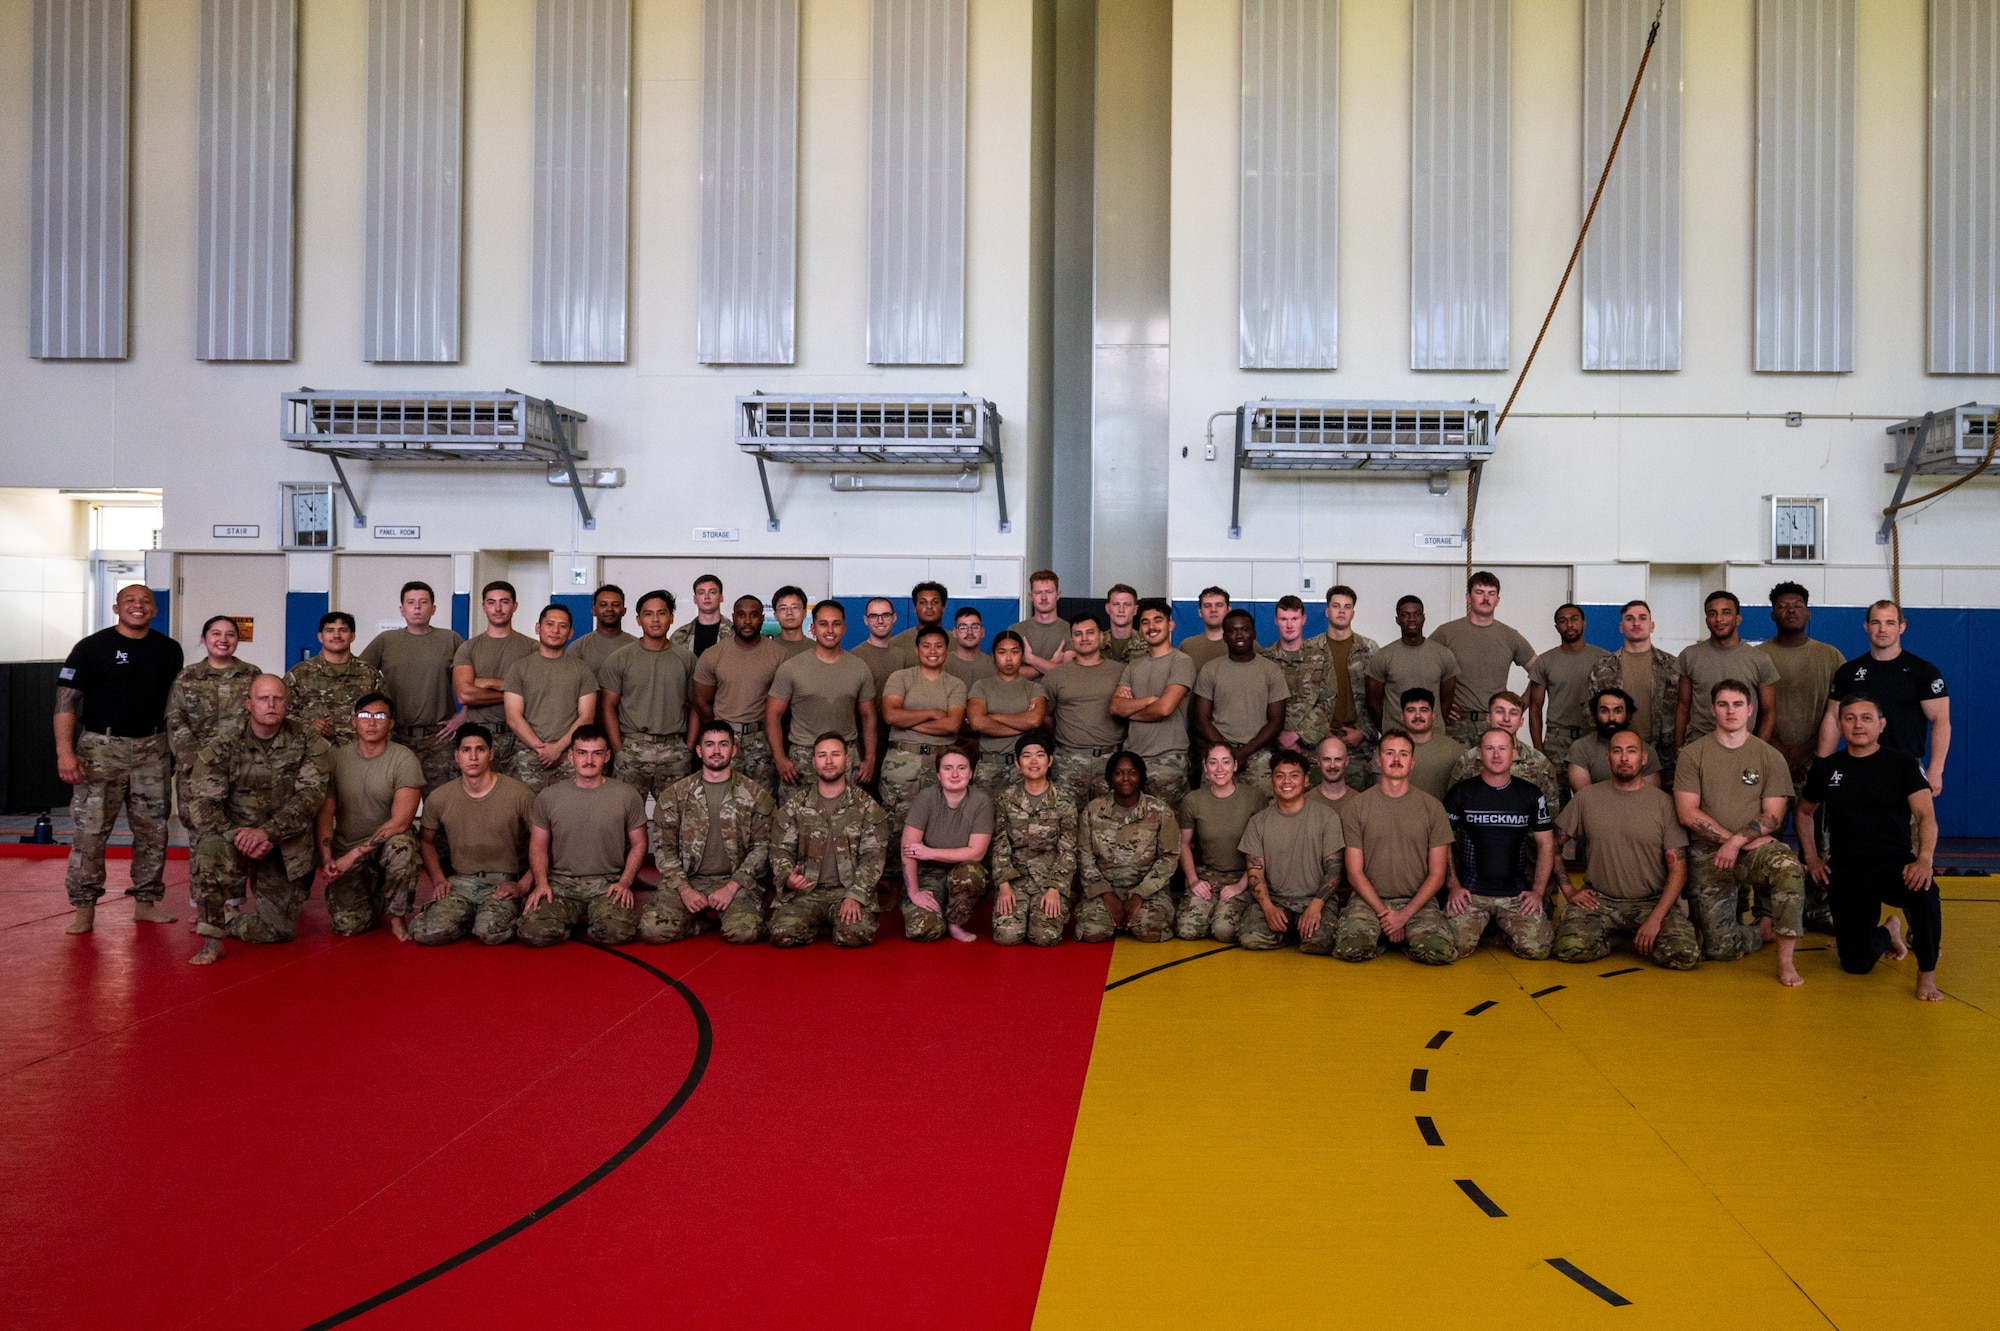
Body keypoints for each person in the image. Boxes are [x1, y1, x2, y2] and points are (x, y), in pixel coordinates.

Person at [54, 583, 183, 934]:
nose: (137, 606)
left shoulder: (169, 650)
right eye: (129, 601)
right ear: (116, 608)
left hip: (153, 748)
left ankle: (145, 903)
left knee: (154, 831)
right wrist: (65, 753)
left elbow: (176, 705)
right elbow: (66, 703)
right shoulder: (91, 648)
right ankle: (84, 907)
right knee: (91, 832)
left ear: (154, 610)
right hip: (100, 748)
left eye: (145, 602)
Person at [1797, 694, 1942, 1001]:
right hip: (1848, 871)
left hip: (1895, 866)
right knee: (1856, 963)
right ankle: (1887, 932)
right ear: (1839, 725)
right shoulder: (1827, 769)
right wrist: (1811, 858)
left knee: (1926, 892)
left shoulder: (1902, 764)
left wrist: (1924, 860)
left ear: (1881, 725)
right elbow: (1803, 812)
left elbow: (1926, 816)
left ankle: (1926, 974)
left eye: (1866, 718)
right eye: (1849, 718)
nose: (1858, 725)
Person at [185, 675, 333, 965]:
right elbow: (203, 803)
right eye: (263, 698)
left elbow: (311, 797)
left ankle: (232, 923)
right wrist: (237, 835)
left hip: (281, 840)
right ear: (248, 704)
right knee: (208, 853)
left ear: (287, 704)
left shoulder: (308, 740)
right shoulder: (224, 741)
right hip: (232, 835)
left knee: (278, 931)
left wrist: (267, 833)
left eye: (278, 699)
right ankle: (212, 941)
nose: (271, 704)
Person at [1674, 681, 1804, 982]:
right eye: (1723, 704)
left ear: (1749, 710)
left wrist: (1738, 841)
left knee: (1788, 868)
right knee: (1719, 949)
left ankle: (1786, 962)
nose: (1730, 711)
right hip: (1708, 852)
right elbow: (1687, 813)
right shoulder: (1693, 754)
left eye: (1737, 705)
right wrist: (1728, 842)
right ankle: (1760, 930)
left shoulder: (1769, 756)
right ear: (1712, 710)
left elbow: (1773, 816)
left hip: (1753, 848)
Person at [1550, 730, 1700, 970]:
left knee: (1683, 955)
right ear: (1607, 758)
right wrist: (1568, 890)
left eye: (1631, 751)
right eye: (1617, 751)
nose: (1624, 758)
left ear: (1643, 758)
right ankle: (1619, 938)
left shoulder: (1664, 804)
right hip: (1599, 902)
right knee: (1569, 949)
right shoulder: (1586, 798)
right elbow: (1551, 844)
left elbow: (1678, 870)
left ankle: (1631, 934)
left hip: (1651, 902)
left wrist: (1655, 919)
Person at [639, 721, 776, 945]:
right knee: (651, 930)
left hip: (734, 881)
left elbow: (762, 849)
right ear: (699, 750)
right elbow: (665, 849)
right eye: (710, 745)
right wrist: (684, 890)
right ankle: (700, 923)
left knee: (745, 932)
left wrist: (731, 888)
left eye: (723, 744)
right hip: (688, 879)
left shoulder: (756, 796)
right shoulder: (675, 795)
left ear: (734, 750)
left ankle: (714, 918)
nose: (716, 751)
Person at [1333, 731, 1455, 964]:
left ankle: (1394, 937)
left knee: (1438, 952)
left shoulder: (1432, 807)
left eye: (1403, 754)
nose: (1396, 759)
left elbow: (1438, 874)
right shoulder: (1356, 807)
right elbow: (1354, 873)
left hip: (1418, 902)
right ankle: (1386, 937)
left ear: (1412, 762)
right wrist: (1385, 914)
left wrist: (1404, 916)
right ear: (1378, 760)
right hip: (1368, 901)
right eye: (1389, 753)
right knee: (1352, 949)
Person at [517, 726, 646, 947]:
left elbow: (640, 843)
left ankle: (589, 921)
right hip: (561, 883)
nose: (589, 760)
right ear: (571, 756)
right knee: (534, 933)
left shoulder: (627, 795)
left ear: (607, 756)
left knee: (618, 933)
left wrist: (625, 882)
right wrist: (541, 884)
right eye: (582, 753)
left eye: (597, 753)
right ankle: (564, 922)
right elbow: (538, 846)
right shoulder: (549, 797)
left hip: (607, 883)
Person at [409, 724, 536, 946]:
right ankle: (467, 917)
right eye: (466, 750)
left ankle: (484, 918)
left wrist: (523, 886)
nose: (473, 756)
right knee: (425, 933)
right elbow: (426, 842)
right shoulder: (440, 797)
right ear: (457, 756)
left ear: (491, 754)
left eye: (481, 749)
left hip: (502, 882)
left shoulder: (519, 794)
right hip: (460, 882)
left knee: (491, 933)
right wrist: (439, 879)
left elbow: (544, 842)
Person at [315, 692, 424, 938]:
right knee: (348, 926)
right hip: (347, 846)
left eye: (380, 716)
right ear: (354, 721)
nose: (372, 722)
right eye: (364, 715)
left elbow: (401, 822)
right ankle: (377, 897)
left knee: (402, 848)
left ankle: (397, 916)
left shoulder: (404, 760)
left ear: (392, 723)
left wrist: (352, 856)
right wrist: (328, 858)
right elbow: (325, 814)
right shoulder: (336, 759)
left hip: (387, 845)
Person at [1816, 600, 1950, 799]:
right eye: (1876, 623)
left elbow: (1941, 720)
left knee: (1908, 828)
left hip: (1906, 767)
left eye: (1890, 623)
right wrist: (1822, 765)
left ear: (1901, 627)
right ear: (1866, 627)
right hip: (1857, 766)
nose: (1882, 629)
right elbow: (1833, 716)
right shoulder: (1849, 672)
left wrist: (1936, 769)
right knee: (1856, 827)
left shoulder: (1922, 671)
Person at [1441, 729, 1555, 960]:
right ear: (1480, 754)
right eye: (1489, 748)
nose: (1496, 754)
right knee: (1455, 947)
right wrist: (1453, 885)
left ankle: (1499, 929)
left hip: (1516, 894)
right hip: (1470, 893)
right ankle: (1485, 927)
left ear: (1513, 753)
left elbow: (1546, 845)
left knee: (1538, 949)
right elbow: (1441, 843)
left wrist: (1538, 891)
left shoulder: (1531, 794)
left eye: (1502, 748)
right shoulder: (1460, 793)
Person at [768, 734, 890, 948]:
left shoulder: (866, 806)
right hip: (806, 893)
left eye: (835, 755)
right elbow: (780, 850)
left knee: (854, 935)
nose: (829, 761)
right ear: (813, 762)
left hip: (847, 892)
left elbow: (873, 857)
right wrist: (787, 878)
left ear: (847, 759)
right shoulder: (796, 804)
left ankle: (831, 924)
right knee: (782, 934)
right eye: (822, 755)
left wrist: (856, 895)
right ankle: (821, 924)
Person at [767, 599, 880, 801]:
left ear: (844, 628)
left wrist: (869, 758)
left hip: (845, 755)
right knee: (797, 822)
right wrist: (780, 759)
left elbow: (868, 716)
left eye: (836, 624)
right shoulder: (791, 668)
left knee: (845, 821)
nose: (830, 630)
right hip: (803, 757)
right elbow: (773, 715)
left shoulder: (859, 667)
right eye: (823, 624)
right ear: (812, 628)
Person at [360, 581, 465, 791]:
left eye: (423, 602)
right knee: (392, 799)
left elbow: (472, 682)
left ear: (433, 608)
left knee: (440, 801)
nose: (417, 608)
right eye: (411, 602)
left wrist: (463, 716)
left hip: (439, 739)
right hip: (396, 737)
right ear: (402, 609)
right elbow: (357, 677)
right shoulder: (386, 640)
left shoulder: (450, 639)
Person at [1236, 750, 1345, 953]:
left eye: (1294, 775)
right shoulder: (1258, 822)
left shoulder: (1327, 817)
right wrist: (1268, 908)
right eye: (1279, 775)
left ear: (1305, 781)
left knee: (1318, 944)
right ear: (1272, 781)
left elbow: (1334, 871)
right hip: (1276, 900)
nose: (1286, 781)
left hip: (1315, 900)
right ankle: (1289, 933)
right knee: (1251, 940)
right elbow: (1255, 873)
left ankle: (1296, 933)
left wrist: (1315, 907)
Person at [599, 589, 699, 803]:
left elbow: (695, 706)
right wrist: (619, 749)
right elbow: (608, 707)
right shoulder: (620, 659)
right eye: (648, 614)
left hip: (674, 751)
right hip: (632, 749)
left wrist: (688, 748)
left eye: (661, 613)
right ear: (637, 619)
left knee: (676, 820)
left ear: (671, 618)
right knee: (625, 818)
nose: (655, 619)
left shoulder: (687, 660)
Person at [166, 614, 261, 831]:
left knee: (241, 830)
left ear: (238, 640)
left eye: (230, 634)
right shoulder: (187, 676)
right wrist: (197, 761)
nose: (223, 640)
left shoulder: (252, 674)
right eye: (216, 634)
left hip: (242, 767)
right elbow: (174, 719)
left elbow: (261, 717)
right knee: (199, 829)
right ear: (204, 638)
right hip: (196, 768)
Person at [1075, 752, 1180, 944]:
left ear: (1141, 777)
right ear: (1110, 778)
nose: (1125, 779)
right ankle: (1118, 920)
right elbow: (1085, 857)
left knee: (1149, 929)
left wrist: (1140, 894)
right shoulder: (1092, 810)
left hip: (1148, 892)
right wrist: (1106, 894)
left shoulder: (1160, 811)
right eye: (1118, 773)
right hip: (1104, 890)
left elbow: (1169, 857)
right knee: (1093, 931)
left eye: (1132, 773)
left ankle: (1132, 920)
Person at [691, 594, 790, 796]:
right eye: (741, 615)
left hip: (763, 739)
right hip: (725, 738)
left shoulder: (779, 655)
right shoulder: (713, 654)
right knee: (724, 797)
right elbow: (701, 700)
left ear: (762, 618)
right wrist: (721, 727)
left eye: (753, 615)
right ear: (733, 617)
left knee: (764, 799)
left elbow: (787, 706)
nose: (747, 621)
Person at [989, 731, 1080, 947]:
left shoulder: (1065, 801)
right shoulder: (1004, 799)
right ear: (1017, 763)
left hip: (1049, 879)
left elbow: (1068, 849)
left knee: (1044, 938)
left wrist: (1055, 888)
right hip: (1015, 879)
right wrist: (1003, 885)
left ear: (1050, 760)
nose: (1033, 761)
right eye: (1026, 755)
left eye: (1040, 755)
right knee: (1007, 936)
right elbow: (999, 844)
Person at [880, 626, 970, 840]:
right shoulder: (900, 678)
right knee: (895, 824)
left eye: (939, 646)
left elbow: (952, 725)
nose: (932, 651)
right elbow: (891, 716)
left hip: (940, 762)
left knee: (938, 822)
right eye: (926, 646)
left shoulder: (955, 684)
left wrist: (908, 721)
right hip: (902, 763)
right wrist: (933, 713)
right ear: (916, 650)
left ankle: (930, 874)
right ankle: (894, 873)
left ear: (947, 651)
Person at [1432, 571, 1539, 746]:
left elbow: (1540, 672)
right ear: (1468, 597)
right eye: (1479, 592)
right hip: (1457, 724)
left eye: (1491, 593)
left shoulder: (1510, 636)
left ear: (1498, 599)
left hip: (1496, 724)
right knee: (1456, 772)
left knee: (1495, 772)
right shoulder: (1446, 633)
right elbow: (1424, 671)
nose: (1485, 598)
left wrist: (1518, 707)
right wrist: (1438, 704)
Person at [1175, 742, 1268, 941]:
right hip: (1208, 874)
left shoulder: (1254, 797)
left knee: (1223, 930)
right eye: (1213, 763)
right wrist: (1193, 881)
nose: (1219, 769)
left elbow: (1264, 847)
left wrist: (1241, 885)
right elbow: (1183, 843)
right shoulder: (1193, 800)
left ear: (1235, 765)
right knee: (1187, 929)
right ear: (1205, 766)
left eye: (1226, 762)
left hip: (1244, 874)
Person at [501, 604, 599, 792]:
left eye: (562, 626)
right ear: (538, 628)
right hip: (527, 757)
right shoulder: (519, 668)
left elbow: (586, 717)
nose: (555, 631)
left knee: (569, 816)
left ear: (570, 633)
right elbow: (513, 717)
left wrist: (558, 748)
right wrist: (541, 749)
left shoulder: (582, 669)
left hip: (569, 756)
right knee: (528, 817)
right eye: (550, 624)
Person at [900, 747, 994, 942]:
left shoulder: (981, 801)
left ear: (970, 773)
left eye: (961, 768)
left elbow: (976, 853)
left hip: (960, 874)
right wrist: (914, 893)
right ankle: (939, 911)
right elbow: (908, 848)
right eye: (947, 768)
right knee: (924, 930)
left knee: (971, 871)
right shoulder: (926, 798)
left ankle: (955, 922)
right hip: (927, 873)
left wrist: (929, 852)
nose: (954, 774)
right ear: (938, 774)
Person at [1757, 583, 1844, 790]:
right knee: (1768, 821)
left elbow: (1840, 710)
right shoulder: (1757, 657)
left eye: (1797, 605)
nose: (1791, 610)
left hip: (1816, 760)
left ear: (1808, 614)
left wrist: (1806, 751)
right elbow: (1751, 710)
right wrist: (1781, 753)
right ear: (1772, 615)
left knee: (1811, 820)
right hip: (1767, 757)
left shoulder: (1831, 656)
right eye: (1783, 606)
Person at [1111, 598, 1198, 805]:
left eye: (1157, 620)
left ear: (1170, 625)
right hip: (1133, 759)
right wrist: (1150, 700)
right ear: (1140, 629)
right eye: (1145, 622)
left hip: (1168, 759)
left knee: (1169, 826)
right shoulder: (1133, 666)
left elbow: (1165, 708)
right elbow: (1115, 706)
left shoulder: (1181, 661)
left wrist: (1130, 713)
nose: (1151, 627)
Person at [1587, 599, 1682, 786]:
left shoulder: (1673, 667)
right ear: (1621, 627)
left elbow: (1685, 710)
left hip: (1664, 755)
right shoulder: (1602, 668)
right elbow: (1590, 716)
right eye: (1629, 619)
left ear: (1652, 625)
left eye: (1642, 618)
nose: (1636, 623)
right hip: (1618, 755)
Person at [1192, 608, 1289, 788]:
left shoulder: (1271, 670)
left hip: (1258, 756)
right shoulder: (1210, 669)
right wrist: (1228, 753)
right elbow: (1200, 719)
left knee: (1261, 811)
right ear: (1224, 636)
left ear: (1254, 634)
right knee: (1213, 810)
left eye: (1244, 629)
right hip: (1218, 755)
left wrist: (1244, 752)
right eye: (1232, 630)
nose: (1239, 635)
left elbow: (1276, 722)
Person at [1043, 612, 1129, 805]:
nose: (1084, 638)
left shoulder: (1121, 672)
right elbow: (1045, 716)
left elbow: (1129, 711)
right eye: (1078, 634)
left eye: (1090, 633)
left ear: (1101, 636)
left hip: (1111, 759)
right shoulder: (1055, 676)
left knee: (1109, 820)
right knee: (1067, 819)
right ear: (1071, 639)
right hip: (1068, 761)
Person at [1675, 591, 1779, 748]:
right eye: (1712, 614)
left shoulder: (1759, 660)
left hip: (1742, 744)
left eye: (1726, 613)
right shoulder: (1689, 656)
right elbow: (1683, 706)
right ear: (1706, 620)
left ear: (1738, 619)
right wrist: (1678, 748)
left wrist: (1758, 750)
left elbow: (1768, 711)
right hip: (1699, 744)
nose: (1719, 619)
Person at [453, 581, 539, 768]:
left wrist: (486, 682)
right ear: (484, 607)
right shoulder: (468, 648)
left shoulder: (533, 648)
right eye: (491, 602)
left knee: (519, 796)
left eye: (504, 602)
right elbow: (465, 694)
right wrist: (514, 693)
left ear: (514, 606)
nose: (498, 608)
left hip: (521, 737)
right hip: (478, 737)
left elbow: (536, 690)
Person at [1444, 689, 1563, 809]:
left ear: (1521, 721)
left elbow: (1549, 813)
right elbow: (1452, 808)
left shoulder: (1540, 763)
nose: (1506, 718)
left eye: (1513, 713)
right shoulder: (1468, 761)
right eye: (1500, 712)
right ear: (1488, 717)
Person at [1525, 603, 1608, 773]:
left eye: (1574, 619)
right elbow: (1535, 708)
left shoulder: (1604, 659)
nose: (1569, 624)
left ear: (1584, 623)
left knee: (1592, 794)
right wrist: (1539, 749)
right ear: (1557, 628)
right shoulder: (1545, 661)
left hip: (1594, 735)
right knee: (1556, 795)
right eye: (1563, 621)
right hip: (1557, 737)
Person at [284, 611, 385, 746]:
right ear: (320, 636)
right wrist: (308, 725)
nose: (336, 635)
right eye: (330, 630)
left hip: (358, 753)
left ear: (352, 636)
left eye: (343, 630)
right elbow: (281, 714)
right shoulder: (298, 674)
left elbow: (384, 716)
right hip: (313, 754)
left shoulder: (370, 675)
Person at [967, 630, 1048, 796]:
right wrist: (1021, 725)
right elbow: (977, 722)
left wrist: (993, 717)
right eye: (1002, 652)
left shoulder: (1034, 688)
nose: (1009, 659)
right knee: (985, 818)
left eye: (1015, 652)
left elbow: (1034, 720)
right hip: (989, 766)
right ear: (993, 655)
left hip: (1023, 767)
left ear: (1023, 655)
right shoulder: (981, 686)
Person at [1364, 596, 1459, 735]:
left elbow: (1447, 699)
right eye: (1405, 615)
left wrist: (1435, 727)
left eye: (1417, 614)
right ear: (1397, 620)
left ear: (1424, 617)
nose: (1412, 619)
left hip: (1433, 737)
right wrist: (1388, 732)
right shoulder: (1383, 656)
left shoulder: (1443, 654)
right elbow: (1373, 703)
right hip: (1396, 739)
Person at [1260, 594, 1335, 763]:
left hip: (1309, 746)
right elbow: (1257, 705)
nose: (1289, 625)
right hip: (1271, 746)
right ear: (1275, 620)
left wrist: (1296, 735)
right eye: (1283, 619)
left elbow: (1329, 700)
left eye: (1294, 618)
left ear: (1303, 619)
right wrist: (1278, 737)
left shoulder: (1321, 656)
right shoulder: (1264, 659)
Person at [1318, 585, 1379, 790]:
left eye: (1347, 606)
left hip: (1359, 744)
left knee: (1359, 805)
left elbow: (1381, 697)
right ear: (1327, 611)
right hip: (1318, 742)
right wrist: (1318, 730)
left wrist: (1362, 732)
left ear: (1353, 612)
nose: (1341, 611)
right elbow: (1300, 698)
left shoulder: (1370, 649)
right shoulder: (1309, 650)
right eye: (1336, 606)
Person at [853, 598, 912, 780]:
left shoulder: (902, 656)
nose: (880, 621)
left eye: (885, 615)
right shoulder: (855, 657)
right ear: (865, 620)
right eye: (874, 616)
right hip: (865, 739)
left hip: (898, 736)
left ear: (894, 618)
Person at [1565, 688, 1664, 792]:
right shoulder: (1581, 748)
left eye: (1618, 711)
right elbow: (1584, 799)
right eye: (1604, 711)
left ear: (1628, 716)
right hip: (1596, 807)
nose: (1611, 718)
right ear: (1595, 716)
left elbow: (1650, 798)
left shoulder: (1646, 751)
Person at [1392, 688, 1466, 801]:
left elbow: (1462, 793)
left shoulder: (1453, 749)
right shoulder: (1389, 749)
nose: (1417, 715)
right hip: (1397, 816)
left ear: (1433, 715)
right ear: (1402, 716)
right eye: (1411, 710)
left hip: (1441, 816)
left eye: (1424, 710)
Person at [1009, 570, 1073, 679]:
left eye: (1049, 592)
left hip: (1057, 695)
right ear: (1030, 596)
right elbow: (1011, 673)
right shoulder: (1016, 630)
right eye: (1038, 593)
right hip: (1023, 695)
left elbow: (1067, 674)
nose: (1043, 598)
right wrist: (1052, 663)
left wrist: (1031, 659)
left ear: (1058, 595)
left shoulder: (1070, 630)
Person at [569, 584, 638, 673]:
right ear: (593, 611)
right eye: (603, 605)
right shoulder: (578, 648)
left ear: (624, 611)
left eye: (616, 605)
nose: (609, 609)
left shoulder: (637, 646)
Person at [670, 573, 727, 657]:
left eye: (712, 592)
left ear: (721, 597)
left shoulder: (735, 633)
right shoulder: (680, 635)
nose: (706, 597)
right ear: (695, 599)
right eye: (701, 593)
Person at [1177, 586, 1232, 670]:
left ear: (1228, 610)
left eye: (1219, 605)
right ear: (1200, 612)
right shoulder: (1187, 646)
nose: (1213, 609)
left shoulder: (1246, 645)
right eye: (1207, 606)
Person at [891, 581, 949, 651]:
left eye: (935, 602)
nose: (929, 606)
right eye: (923, 602)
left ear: (943, 609)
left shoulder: (958, 643)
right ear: (915, 609)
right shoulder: (896, 643)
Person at [770, 585, 815, 658]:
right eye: (783, 608)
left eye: (795, 607)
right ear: (776, 615)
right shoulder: (768, 649)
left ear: (805, 613)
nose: (789, 613)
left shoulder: (816, 649)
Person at [1100, 584, 1142, 662]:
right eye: (1116, 604)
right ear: (1108, 608)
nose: (1121, 610)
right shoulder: (1096, 643)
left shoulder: (1148, 644)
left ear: (1135, 610)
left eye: (1127, 605)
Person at [1314, 733, 1356, 807]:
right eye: (1327, 759)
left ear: (1346, 762)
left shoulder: (1360, 802)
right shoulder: (1305, 801)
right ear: (1318, 762)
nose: (1332, 766)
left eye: (1338, 759)